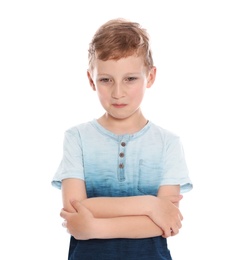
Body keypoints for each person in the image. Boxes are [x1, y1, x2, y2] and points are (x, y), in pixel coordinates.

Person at [51, 18, 193, 260]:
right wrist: (150, 205)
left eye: (130, 79)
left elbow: (167, 223)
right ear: (90, 79)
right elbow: (75, 210)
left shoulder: (168, 143)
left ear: (150, 77)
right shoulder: (77, 138)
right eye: (106, 80)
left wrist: (94, 227)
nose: (118, 92)